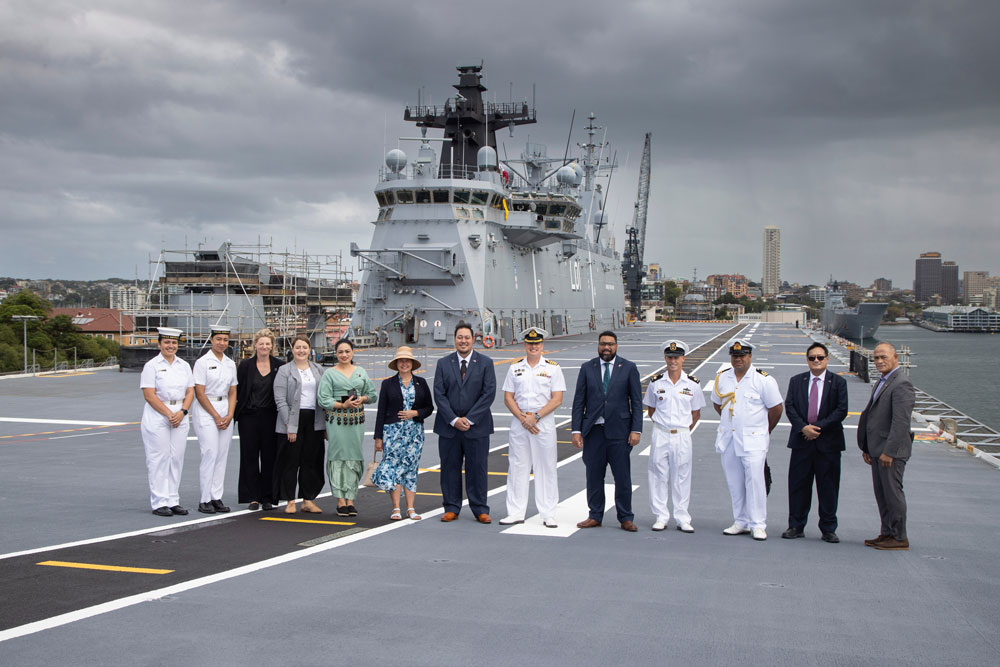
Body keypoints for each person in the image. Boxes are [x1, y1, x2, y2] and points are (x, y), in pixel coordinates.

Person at [571, 330, 643, 532]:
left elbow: (636, 402)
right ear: (598, 345)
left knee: (622, 477)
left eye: (610, 344)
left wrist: (636, 429)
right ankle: (595, 515)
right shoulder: (587, 368)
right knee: (593, 476)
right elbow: (579, 402)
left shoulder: (629, 368)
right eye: (603, 344)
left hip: (620, 432)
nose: (606, 347)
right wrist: (576, 430)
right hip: (593, 432)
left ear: (616, 346)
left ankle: (626, 517)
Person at [712, 339, 783, 541]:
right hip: (729, 439)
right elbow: (719, 405)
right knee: (734, 482)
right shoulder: (723, 378)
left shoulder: (763, 380)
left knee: (755, 482)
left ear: (750, 356)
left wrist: (763, 430)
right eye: (734, 356)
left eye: (742, 356)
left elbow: (776, 409)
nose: (738, 359)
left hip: (754, 441)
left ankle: (758, 524)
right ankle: (740, 521)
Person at [782, 342, 848, 543]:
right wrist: (803, 428)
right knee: (798, 485)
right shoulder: (796, 381)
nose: (816, 361)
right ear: (807, 360)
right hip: (802, 441)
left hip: (828, 443)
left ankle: (828, 528)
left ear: (827, 359)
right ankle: (796, 525)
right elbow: (790, 406)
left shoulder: (838, 382)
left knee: (828, 487)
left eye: (820, 357)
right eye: (812, 358)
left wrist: (817, 428)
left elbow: (841, 410)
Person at [499, 327, 566, 528]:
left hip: (542, 422)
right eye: (530, 343)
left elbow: (557, 399)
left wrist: (535, 417)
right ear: (525, 345)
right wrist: (523, 418)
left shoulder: (553, 368)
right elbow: (508, 397)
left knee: (545, 467)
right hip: (520, 423)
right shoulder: (514, 367)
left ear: (542, 345)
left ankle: (548, 513)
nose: (533, 347)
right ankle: (515, 512)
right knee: (518, 466)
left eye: (537, 343)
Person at [433, 322, 497, 524]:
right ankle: (451, 507)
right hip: (449, 427)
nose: (463, 341)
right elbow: (439, 394)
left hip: (477, 427)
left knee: (477, 468)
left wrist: (469, 419)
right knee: (449, 467)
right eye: (459, 337)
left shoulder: (485, 362)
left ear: (473, 339)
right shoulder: (443, 363)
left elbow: (488, 394)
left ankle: (480, 508)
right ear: (455, 340)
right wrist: (453, 419)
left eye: (466, 337)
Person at [858, 342, 915, 551]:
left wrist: (889, 452)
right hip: (877, 448)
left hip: (890, 451)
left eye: (883, 357)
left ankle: (899, 537)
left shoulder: (901, 384)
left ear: (895, 357)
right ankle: (887, 533)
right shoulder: (884, 381)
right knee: (881, 494)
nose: (879, 361)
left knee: (892, 493)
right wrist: (867, 446)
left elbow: (901, 422)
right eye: (876, 358)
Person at [643, 340, 704, 533]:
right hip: (660, 433)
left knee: (682, 476)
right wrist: (664, 426)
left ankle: (682, 517)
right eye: (669, 357)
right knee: (658, 475)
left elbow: (696, 413)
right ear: (665, 358)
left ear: (683, 358)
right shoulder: (656, 383)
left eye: (676, 357)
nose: (673, 361)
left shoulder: (692, 384)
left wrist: (682, 428)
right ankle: (661, 516)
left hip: (682, 435)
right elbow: (651, 410)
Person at [372, 346, 434, 521]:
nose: (404, 364)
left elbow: (429, 407)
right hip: (392, 432)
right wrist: (378, 437)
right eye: (401, 361)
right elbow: (381, 411)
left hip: (414, 433)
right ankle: (396, 508)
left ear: (412, 364)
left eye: (407, 361)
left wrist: (415, 413)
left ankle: (411, 508)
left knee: (411, 469)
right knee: (394, 469)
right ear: (396, 364)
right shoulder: (387, 384)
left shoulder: (421, 382)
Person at [317, 338, 376, 517]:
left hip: (355, 421)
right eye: (340, 352)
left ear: (352, 352)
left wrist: (363, 399)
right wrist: (341, 405)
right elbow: (323, 399)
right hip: (337, 421)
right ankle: (340, 500)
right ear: (336, 354)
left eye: (347, 351)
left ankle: (351, 498)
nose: (344, 355)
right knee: (338, 457)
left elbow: (372, 394)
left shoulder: (361, 372)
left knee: (354, 456)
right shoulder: (329, 374)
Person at [139, 327, 195, 516]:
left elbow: (190, 391)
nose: (171, 346)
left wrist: (183, 411)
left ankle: (173, 499)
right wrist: (169, 414)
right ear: (159, 344)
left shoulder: (184, 366)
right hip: (158, 415)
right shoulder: (152, 366)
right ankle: (159, 501)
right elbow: (149, 395)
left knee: (176, 458)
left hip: (180, 413)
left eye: (174, 343)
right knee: (159, 459)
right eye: (167, 342)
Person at [273, 334, 327, 514]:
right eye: (298, 347)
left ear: (310, 350)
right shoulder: (284, 370)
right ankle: (289, 500)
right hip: (292, 419)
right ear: (292, 350)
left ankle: (308, 499)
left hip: (314, 419)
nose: (301, 351)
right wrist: (290, 425)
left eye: (304, 347)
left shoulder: (318, 369)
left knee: (311, 461)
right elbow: (280, 400)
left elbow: (326, 395)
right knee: (290, 461)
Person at [234, 328, 284, 511]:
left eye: (267, 343)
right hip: (249, 417)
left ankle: (267, 496)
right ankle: (252, 496)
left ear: (272, 346)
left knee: (270, 457)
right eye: (261, 343)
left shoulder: (279, 365)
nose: (264, 346)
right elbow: (238, 391)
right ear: (255, 345)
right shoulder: (245, 366)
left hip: (271, 417)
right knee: (249, 456)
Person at [192, 325, 239, 514]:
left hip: (225, 407)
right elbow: (199, 392)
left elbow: (233, 390)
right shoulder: (202, 362)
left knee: (222, 455)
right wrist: (216, 415)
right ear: (211, 340)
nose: (222, 343)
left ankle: (216, 496)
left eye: (225, 340)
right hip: (206, 409)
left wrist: (229, 414)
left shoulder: (230, 363)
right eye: (218, 339)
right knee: (210, 453)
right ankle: (204, 499)